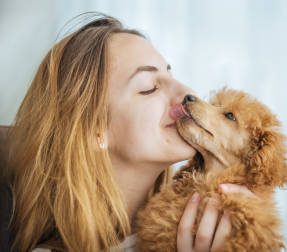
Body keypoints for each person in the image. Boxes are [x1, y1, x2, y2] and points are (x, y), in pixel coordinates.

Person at [5, 13, 255, 252]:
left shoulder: (223, 227)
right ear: (95, 131)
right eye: (149, 87)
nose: (187, 92)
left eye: (171, 73)